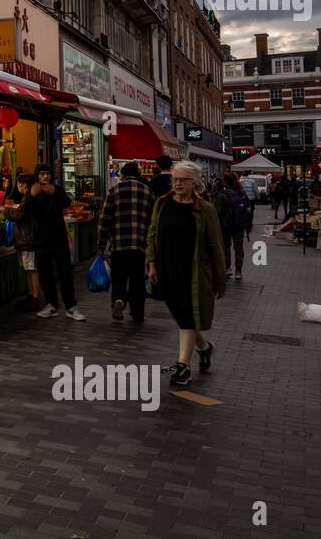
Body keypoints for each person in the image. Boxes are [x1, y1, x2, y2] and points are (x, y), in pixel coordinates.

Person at [147, 160, 228, 387]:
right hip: (166, 267)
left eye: (183, 180)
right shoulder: (162, 203)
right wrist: (151, 262)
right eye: (175, 179)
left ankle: (183, 367)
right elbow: (152, 233)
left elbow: (216, 247)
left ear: (195, 183)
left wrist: (219, 281)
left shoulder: (205, 210)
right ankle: (203, 347)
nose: (177, 183)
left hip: (194, 272)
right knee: (182, 314)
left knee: (187, 316)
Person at [26, 163, 85, 321]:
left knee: (65, 273)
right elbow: (27, 210)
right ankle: (51, 305)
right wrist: (32, 195)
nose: (45, 176)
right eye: (42, 174)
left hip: (59, 239)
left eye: (47, 173)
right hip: (40, 240)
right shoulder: (33, 190)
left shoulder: (56, 190)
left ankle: (71, 307)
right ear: (37, 175)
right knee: (45, 275)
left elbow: (67, 202)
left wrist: (55, 194)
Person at [97, 161, 154, 325]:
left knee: (119, 277)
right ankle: (137, 312)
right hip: (139, 245)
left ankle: (119, 299)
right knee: (137, 279)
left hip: (119, 245)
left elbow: (105, 220)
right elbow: (153, 221)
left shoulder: (114, 191)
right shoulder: (147, 191)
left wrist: (101, 246)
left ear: (123, 174)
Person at [213, 171, 250, 281]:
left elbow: (217, 212)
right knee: (238, 248)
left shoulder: (222, 195)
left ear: (225, 181)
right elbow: (247, 209)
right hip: (239, 226)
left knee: (226, 247)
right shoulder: (242, 193)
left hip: (225, 226)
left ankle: (228, 268)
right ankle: (238, 271)